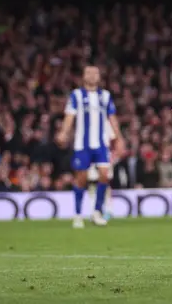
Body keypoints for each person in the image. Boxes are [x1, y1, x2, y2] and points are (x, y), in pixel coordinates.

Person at [57, 66, 124, 228]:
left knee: (104, 175)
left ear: (99, 77)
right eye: (89, 73)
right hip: (82, 145)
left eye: (95, 73)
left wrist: (119, 138)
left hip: (101, 144)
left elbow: (112, 117)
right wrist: (64, 132)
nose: (92, 76)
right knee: (81, 178)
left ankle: (96, 212)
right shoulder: (76, 95)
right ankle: (78, 214)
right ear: (83, 76)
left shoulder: (105, 96)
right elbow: (69, 116)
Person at [88, 120, 116, 220]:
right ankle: (95, 211)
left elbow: (113, 139)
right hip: (90, 156)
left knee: (105, 183)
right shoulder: (87, 122)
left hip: (104, 155)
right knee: (92, 183)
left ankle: (108, 210)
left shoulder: (106, 122)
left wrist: (112, 154)